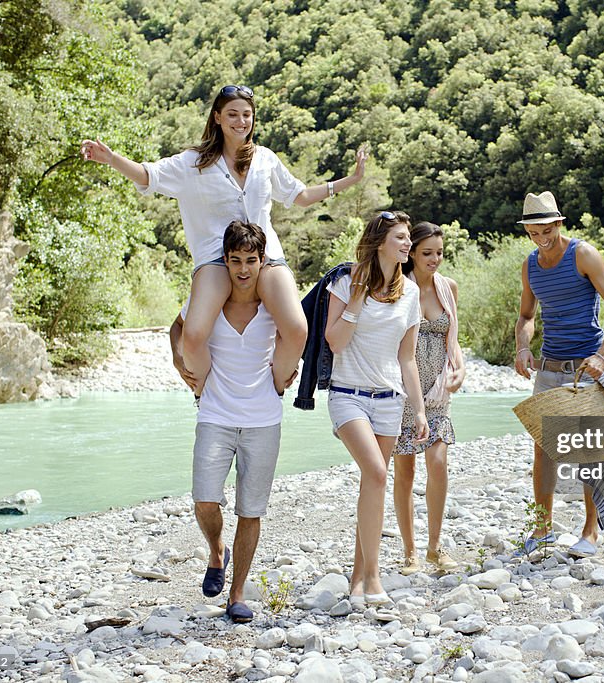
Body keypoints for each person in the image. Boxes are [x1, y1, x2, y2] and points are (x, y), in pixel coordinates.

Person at [82, 84, 368, 398]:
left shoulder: (264, 159)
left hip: (266, 256)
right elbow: (148, 176)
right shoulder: (194, 162)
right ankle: (205, 394)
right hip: (216, 259)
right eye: (232, 114)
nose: (240, 121)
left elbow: (299, 196)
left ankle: (273, 389)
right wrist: (111, 159)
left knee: (298, 329)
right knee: (192, 337)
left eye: (247, 115)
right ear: (217, 117)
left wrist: (351, 179)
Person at [169, 220, 291, 623]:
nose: (243, 269)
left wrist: (286, 373)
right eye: (235, 260)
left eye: (251, 260)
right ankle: (216, 548)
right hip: (215, 414)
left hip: (263, 418)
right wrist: (178, 361)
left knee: (250, 510)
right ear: (225, 260)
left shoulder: (273, 304)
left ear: (262, 261)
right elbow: (178, 327)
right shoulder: (211, 300)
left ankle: (237, 593)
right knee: (204, 499)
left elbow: (296, 337)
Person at [513, 191, 604, 558]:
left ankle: (591, 532)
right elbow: (527, 316)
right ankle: (542, 529)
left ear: (559, 223)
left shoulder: (583, 254)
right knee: (543, 451)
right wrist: (522, 347)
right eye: (533, 231)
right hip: (549, 367)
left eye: (546, 229)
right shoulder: (530, 265)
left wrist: (602, 356)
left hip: (585, 367)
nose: (541, 237)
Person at [324, 210, 429, 606]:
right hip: (347, 394)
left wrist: (417, 410)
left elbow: (407, 359)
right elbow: (334, 341)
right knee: (377, 472)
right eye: (401, 238)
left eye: (408, 239)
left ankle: (356, 579)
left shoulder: (412, 293)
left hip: (390, 400)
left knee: (374, 484)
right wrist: (355, 299)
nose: (407, 245)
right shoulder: (346, 281)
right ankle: (373, 578)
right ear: (381, 241)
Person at [392, 222, 466, 575]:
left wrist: (461, 370)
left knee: (437, 463)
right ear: (411, 254)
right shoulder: (396, 288)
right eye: (427, 253)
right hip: (401, 391)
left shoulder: (447, 288)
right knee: (404, 471)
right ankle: (410, 552)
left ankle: (435, 547)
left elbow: (454, 339)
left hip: (437, 391)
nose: (435, 259)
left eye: (439, 252)